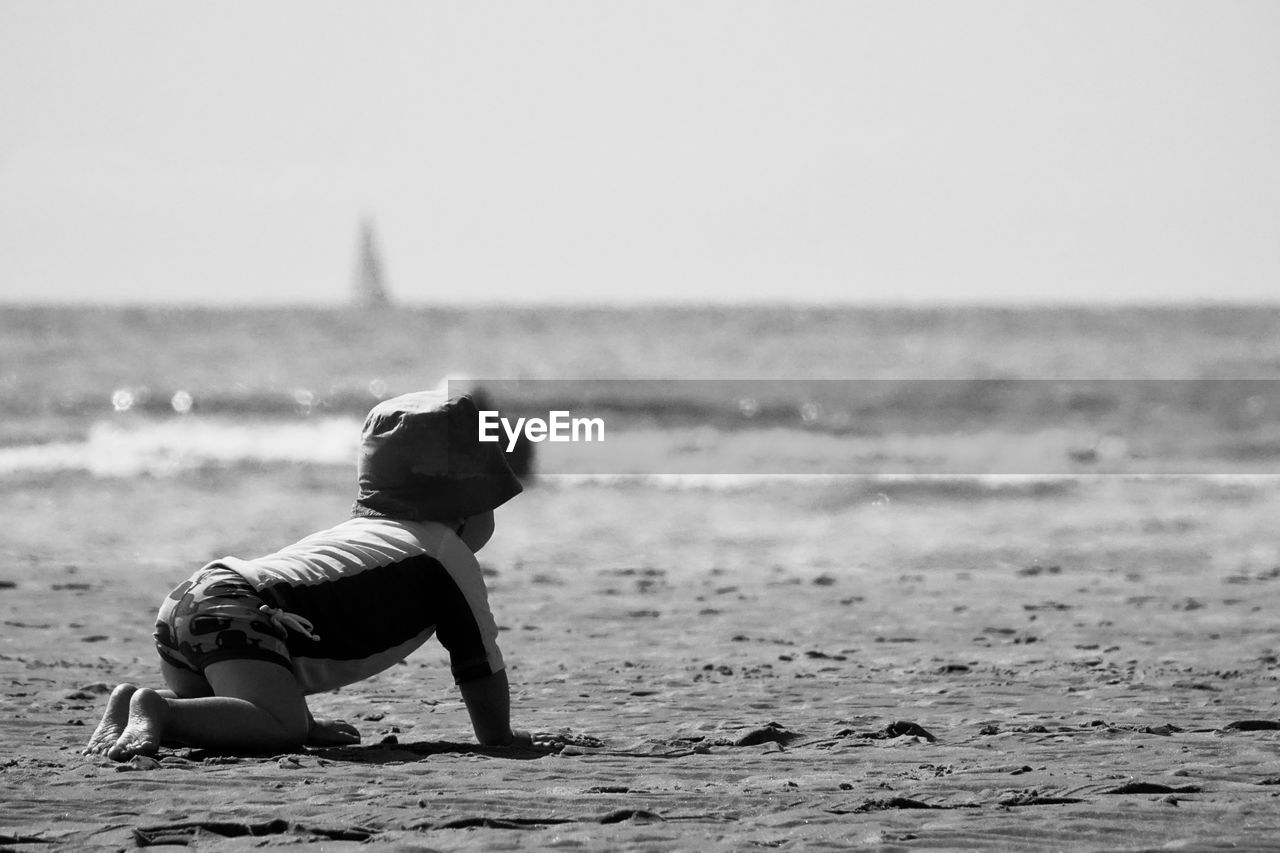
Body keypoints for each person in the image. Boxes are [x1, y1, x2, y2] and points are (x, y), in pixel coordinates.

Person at [85, 390, 544, 760]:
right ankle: (159, 710)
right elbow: (478, 664)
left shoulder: (364, 534)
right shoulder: (446, 556)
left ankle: (136, 702)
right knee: (277, 726)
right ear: (464, 507)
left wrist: (301, 715)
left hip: (193, 600)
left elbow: (316, 599)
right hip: (244, 616)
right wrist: (498, 735)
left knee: (248, 708)